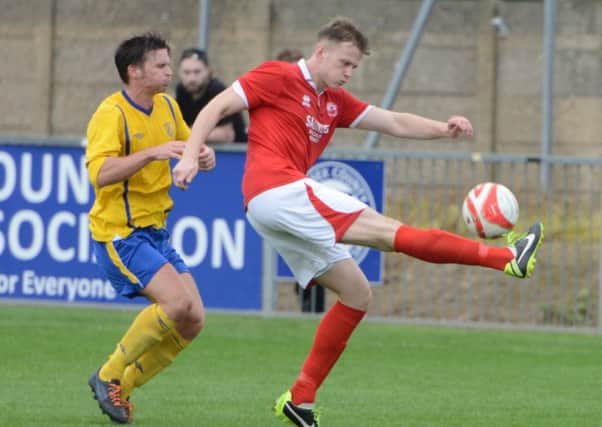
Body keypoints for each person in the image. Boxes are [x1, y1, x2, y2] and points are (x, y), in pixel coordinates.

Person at [173, 17, 544, 427]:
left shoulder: (334, 101)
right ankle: (506, 257)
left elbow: (393, 122)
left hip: (271, 206)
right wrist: (191, 153)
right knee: (390, 232)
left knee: (356, 293)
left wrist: (443, 128)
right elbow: (216, 106)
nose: (349, 73)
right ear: (321, 52)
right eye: (345, 63)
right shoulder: (277, 76)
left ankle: (300, 398)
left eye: (354, 67)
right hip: (277, 190)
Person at [85, 33, 215, 424]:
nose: (168, 71)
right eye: (160, 65)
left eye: (167, 63)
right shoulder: (111, 114)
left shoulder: (167, 107)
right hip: (119, 233)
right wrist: (150, 154)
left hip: (156, 231)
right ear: (134, 71)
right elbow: (100, 174)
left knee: (193, 319)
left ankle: (121, 389)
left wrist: (200, 154)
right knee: (175, 304)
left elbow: (187, 144)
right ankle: (107, 374)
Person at [276, 47, 326, 314]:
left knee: (316, 243)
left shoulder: (317, 100)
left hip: (297, 185)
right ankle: (307, 291)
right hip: (273, 190)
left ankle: (311, 300)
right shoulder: (268, 96)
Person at [176, 48, 248, 143]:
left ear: (209, 71)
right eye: (186, 72)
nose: (191, 78)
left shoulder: (216, 89)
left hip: (234, 154)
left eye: (197, 72)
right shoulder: (182, 90)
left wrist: (186, 134)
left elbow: (226, 135)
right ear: (179, 72)